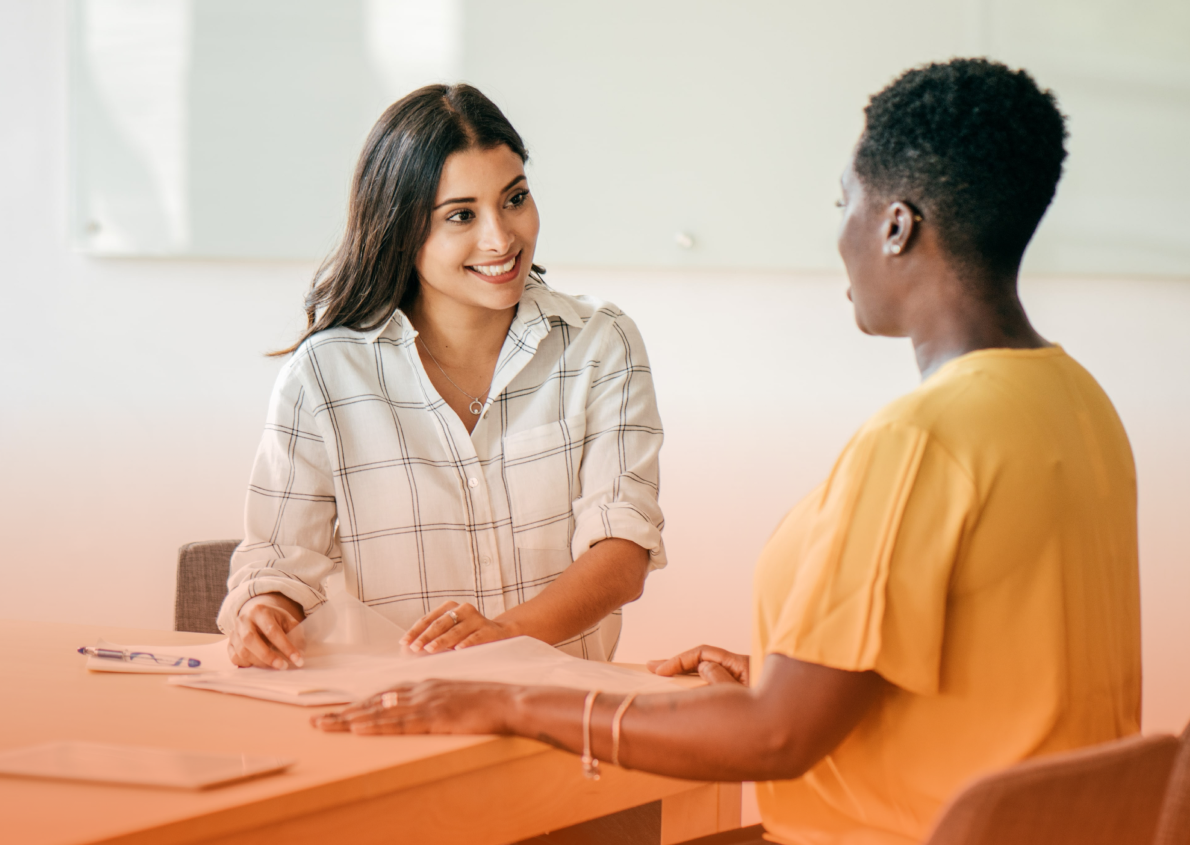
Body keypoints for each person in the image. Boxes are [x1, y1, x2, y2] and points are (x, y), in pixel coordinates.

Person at [311, 59, 1142, 845]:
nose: (840, 235)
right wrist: (780, 679)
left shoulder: (920, 443)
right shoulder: (1078, 405)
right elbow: (996, 681)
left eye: (843, 202)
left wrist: (512, 704)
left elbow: (776, 742)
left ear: (896, 227)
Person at [217, 85, 666, 670]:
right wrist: (265, 610)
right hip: (400, 713)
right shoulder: (326, 376)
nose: (501, 238)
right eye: (461, 215)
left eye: (515, 199)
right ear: (401, 229)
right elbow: (276, 559)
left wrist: (500, 636)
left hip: (562, 716)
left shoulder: (599, 343)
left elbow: (622, 551)